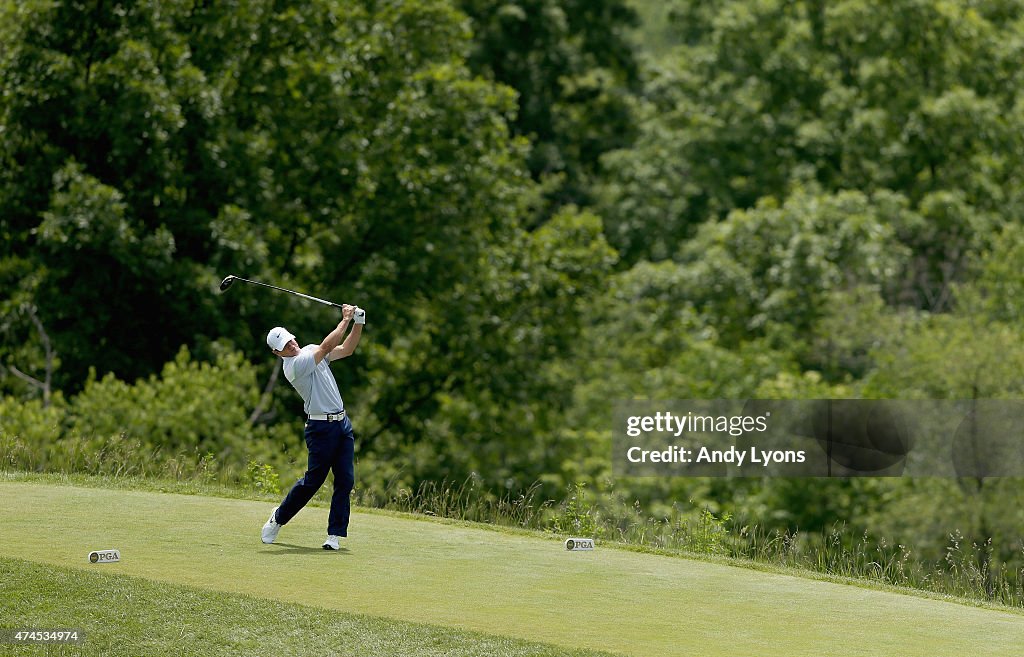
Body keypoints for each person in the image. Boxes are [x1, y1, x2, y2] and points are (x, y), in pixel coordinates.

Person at [261, 304, 365, 550]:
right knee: (313, 482)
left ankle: (334, 535)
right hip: (320, 429)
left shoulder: (308, 350)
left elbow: (347, 349)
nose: (291, 345)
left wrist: (358, 322)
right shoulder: (294, 367)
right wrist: (345, 319)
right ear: (278, 353)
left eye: (291, 340)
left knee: (345, 480)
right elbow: (327, 346)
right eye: (285, 346)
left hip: (342, 424)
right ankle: (278, 518)